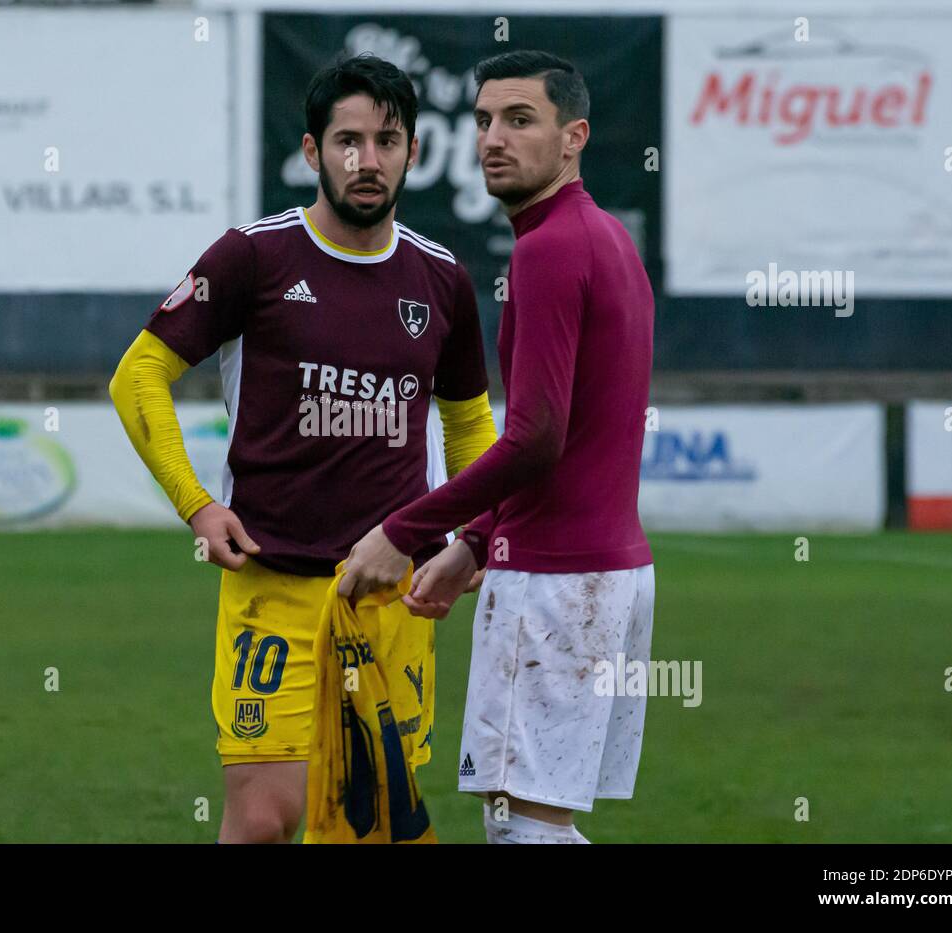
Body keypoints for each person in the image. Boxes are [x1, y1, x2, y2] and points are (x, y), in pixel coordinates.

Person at [110, 54, 496, 843]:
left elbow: (468, 425)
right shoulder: (254, 257)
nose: (368, 159)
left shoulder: (443, 279)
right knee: (263, 819)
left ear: (415, 152)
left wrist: (473, 540)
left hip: (393, 597)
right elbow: (139, 374)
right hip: (272, 588)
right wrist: (196, 503)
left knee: (368, 825)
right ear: (312, 151)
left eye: (388, 140)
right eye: (347, 140)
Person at [340, 50, 656, 845]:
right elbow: (569, 432)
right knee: (534, 824)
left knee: (523, 829)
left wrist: (402, 532)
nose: (492, 139)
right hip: (604, 573)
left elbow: (534, 438)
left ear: (573, 136)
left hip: (560, 582)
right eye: (482, 121)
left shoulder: (548, 248)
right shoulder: (605, 237)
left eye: (520, 120)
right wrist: (477, 542)